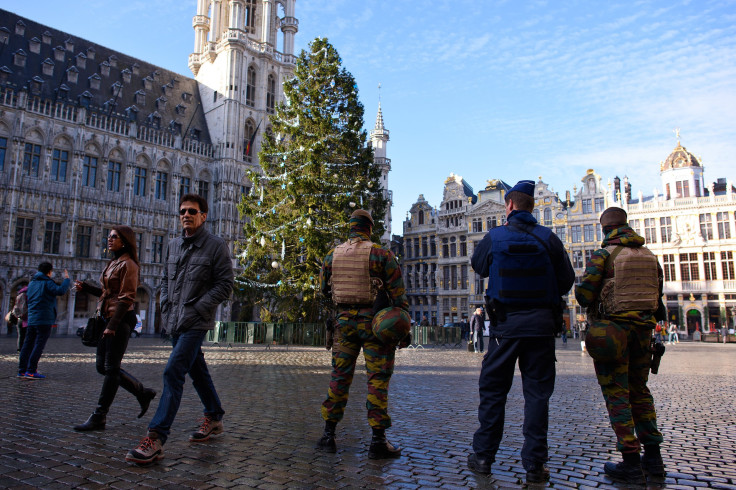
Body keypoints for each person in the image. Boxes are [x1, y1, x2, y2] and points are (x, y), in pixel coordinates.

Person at [467, 180, 574, 484]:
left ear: (509, 206)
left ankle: (484, 456)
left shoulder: (495, 236)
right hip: (541, 329)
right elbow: (566, 281)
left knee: (493, 393)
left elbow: (479, 266)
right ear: (533, 207)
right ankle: (535, 465)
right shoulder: (549, 239)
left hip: (505, 328)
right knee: (537, 396)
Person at [126, 193, 234, 465]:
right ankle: (214, 415)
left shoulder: (216, 245)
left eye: (192, 211)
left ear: (203, 216)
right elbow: (165, 277)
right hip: (175, 320)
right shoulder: (173, 245)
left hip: (196, 322)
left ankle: (157, 436)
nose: (186, 215)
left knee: (173, 371)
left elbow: (225, 285)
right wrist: (165, 304)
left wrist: (198, 308)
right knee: (196, 369)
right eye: (183, 211)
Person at [575, 206, 666, 485]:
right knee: (640, 392)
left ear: (605, 230)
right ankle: (654, 458)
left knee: (618, 394)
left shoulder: (605, 255)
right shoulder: (650, 257)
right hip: (644, 333)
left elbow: (584, 295)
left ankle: (629, 461)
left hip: (614, 333)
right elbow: (658, 296)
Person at [316, 209, 409, 459]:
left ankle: (328, 436)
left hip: (343, 326)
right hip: (376, 327)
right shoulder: (382, 254)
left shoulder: (331, 256)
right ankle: (378, 441)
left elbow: (324, 290)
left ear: (350, 227)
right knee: (377, 380)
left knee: (339, 378)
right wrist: (403, 329)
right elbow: (399, 295)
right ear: (369, 228)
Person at [73, 226, 156, 431]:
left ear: (125, 241)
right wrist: (87, 288)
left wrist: (112, 325)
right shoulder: (114, 262)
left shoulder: (129, 264)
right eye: (109, 236)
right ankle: (142, 392)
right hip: (107, 318)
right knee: (103, 367)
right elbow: (107, 292)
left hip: (119, 320)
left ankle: (99, 415)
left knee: (111, 368)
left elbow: (127, 297)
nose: (109, 239)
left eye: (114, 237)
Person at [17, 262, 71, 379]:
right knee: (39, 345)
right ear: (49, 272)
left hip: (32, 318)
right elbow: (61, 290)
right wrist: (66, 279)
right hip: (44, 318)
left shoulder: (31, 284)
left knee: (27, 344)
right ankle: (31, 370)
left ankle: (22, 370)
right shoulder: (47, 282)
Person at [13, 285, 29, 351]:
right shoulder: (26, 296)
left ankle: (19, 348)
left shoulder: (18, 296)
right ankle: (25, 349)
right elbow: (25, 307)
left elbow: (15, 308)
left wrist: (18, 315)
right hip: (26, 318)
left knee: (20, 335)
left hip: (19, 318)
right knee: (28, 335)